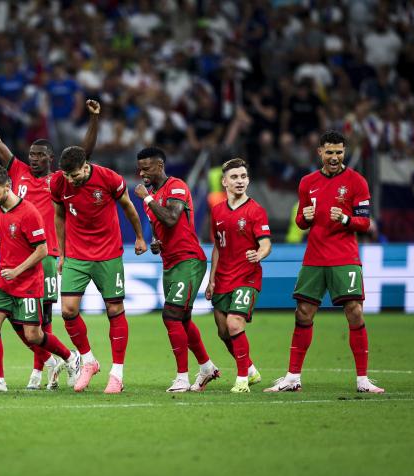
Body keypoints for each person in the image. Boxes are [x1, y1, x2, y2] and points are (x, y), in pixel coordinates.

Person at [0, 87, 100, 389]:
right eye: (32, 155)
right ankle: (49, 363)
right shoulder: (17, 172)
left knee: (43, 318)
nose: (35, 159)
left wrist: (93, 119)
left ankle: (41, 370)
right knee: (18, 320)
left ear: (51, 158)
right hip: (16, 256)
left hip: (47, 255)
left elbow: (84, 155)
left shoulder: (59, 179)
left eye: (40, 155)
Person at [265, 130, 384, 394]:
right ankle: (292, 378)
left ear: (344, 152)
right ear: (320, 152)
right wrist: (304, 217)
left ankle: (363, 380)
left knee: (355, 311)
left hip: (345, 257)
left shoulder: (357, 182)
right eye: (329, 152)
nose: (334, 157)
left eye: (339, 152)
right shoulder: (307, 182)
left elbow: (365, 222)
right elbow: (300, 221)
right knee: (303, 312)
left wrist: (346, 219)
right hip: (315, 257)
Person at [0, 166, 80, 392]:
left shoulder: (28, 212)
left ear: (8, 186)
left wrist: (17, 271)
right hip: (4, 281)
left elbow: (42, 250)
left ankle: (70, 357)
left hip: (28, 282)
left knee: (33, 335)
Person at [52, 146, 148, 393]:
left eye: (74, 175)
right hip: (76, 255)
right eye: (66, 175)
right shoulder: (58, 183)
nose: (70, 180)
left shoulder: (109, 178)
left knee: (114, 309)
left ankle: (117, 374)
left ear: (85, 167)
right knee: (68, 310)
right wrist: (61, 253)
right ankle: (89, 360)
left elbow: (127, 205)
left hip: (108, 254)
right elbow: (59, 215)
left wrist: (139, 237)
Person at [133, 147, 220, 393]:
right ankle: (207, 367)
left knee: (171, 315)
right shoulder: (152, 197)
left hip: (188, 260)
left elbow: (171, 218)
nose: (142, 173)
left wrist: (147, 199)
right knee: (183, 319)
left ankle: (182, 377)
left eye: (146, 168)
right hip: (170, 263)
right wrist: (155, 243)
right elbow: (163, 228)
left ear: (160, 166)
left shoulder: (176, 186)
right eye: (140, 169)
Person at [205, 158, 270, 393]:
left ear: (248, 180)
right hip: (223, 278)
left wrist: (259, 254)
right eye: (234, 177)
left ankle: (242, 380)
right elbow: (217, 247)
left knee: (234, 323)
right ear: (224, 182)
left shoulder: (256, 211)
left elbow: (266, 243)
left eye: (243, 176)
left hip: (247, 277)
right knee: (223, 331)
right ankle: (250, 370)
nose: (240, 181)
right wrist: (211, 279)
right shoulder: (217, 211)